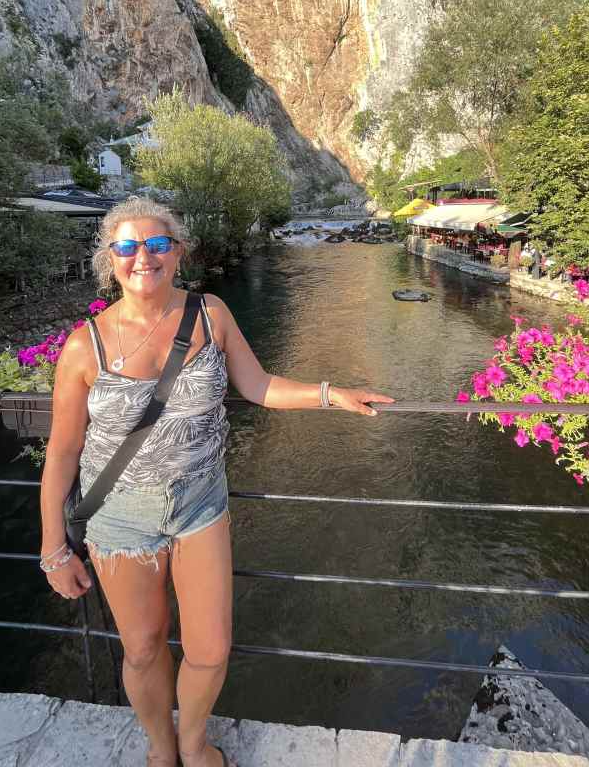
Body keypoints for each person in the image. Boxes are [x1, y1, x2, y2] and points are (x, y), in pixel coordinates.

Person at [39, 196, 394, 767]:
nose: (143, 257)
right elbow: (62, 453)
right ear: (110, 259)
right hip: (119, 517)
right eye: (127, 247)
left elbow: (258, 386)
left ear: (178, 251)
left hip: (199, 506)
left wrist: (332, 394)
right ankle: (161, 750)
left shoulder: (210, 314)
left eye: (157, 244)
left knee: (209, 649)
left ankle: (193, 741)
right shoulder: (85, 345)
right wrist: (54, 550)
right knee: (142, 648)